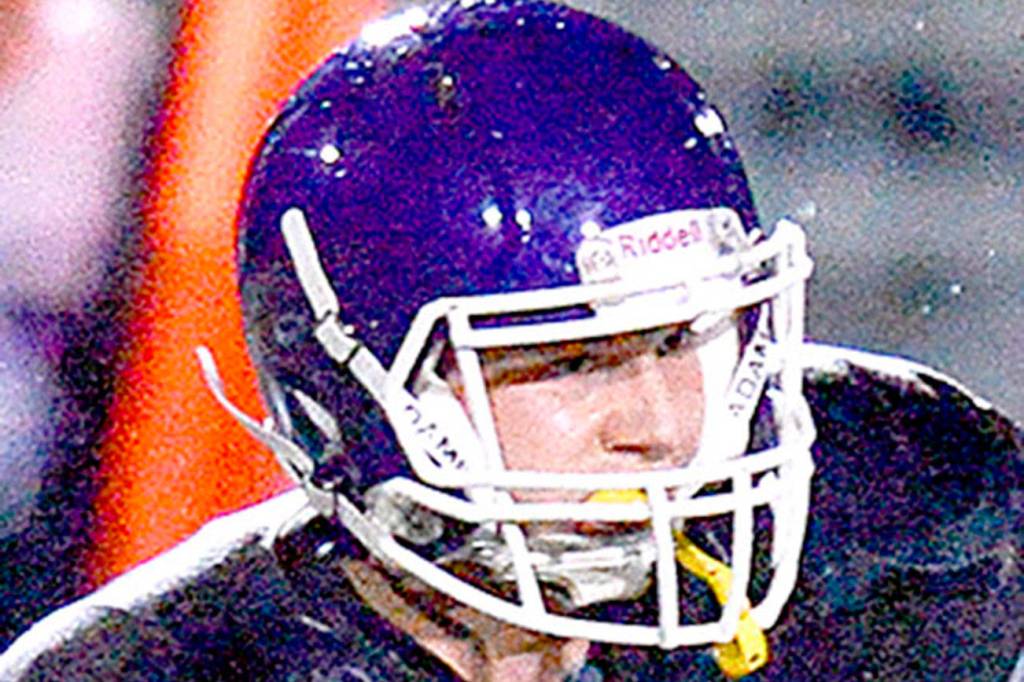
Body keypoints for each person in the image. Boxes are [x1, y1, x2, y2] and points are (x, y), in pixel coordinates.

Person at [1, 1, 1020, 679]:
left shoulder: (909, 529)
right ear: (353, 391)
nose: (659, 426)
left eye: (683, 338)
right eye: (572, 361)